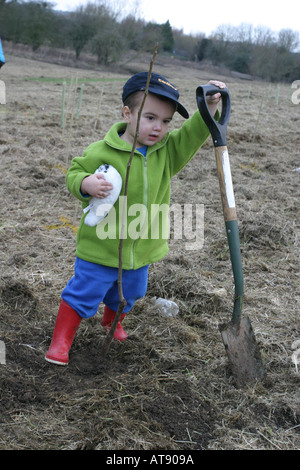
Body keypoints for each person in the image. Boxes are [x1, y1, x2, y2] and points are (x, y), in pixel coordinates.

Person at [45, 72, 226, 366]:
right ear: (127, 114)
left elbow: (192, 135)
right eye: (150, 117)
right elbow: (74, 173)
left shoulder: (167, 153)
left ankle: (112, 321)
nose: (159, 127)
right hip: (100, 247)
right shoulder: (101, 151)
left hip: (141, 249)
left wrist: (209, 106)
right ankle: (61, 340)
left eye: (166, 122)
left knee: (130, 293)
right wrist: (86, 184)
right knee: (83, 292)